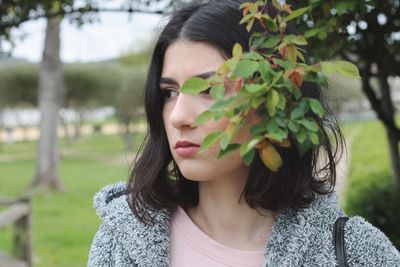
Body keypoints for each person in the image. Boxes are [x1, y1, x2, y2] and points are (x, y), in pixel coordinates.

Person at [88, 0, 400, 266]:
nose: (179, 116)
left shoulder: (356, 251)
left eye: (210, 89)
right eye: (169, 93)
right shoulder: (120, 244)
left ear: (276, 102)